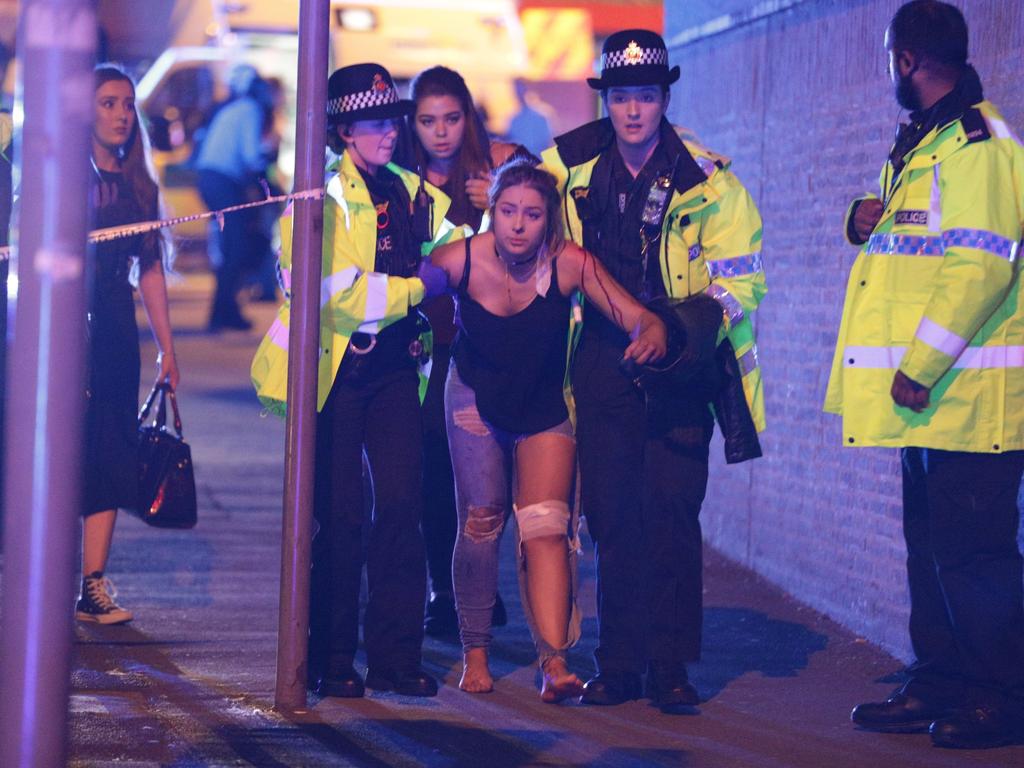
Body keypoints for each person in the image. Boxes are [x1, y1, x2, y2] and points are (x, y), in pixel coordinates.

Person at [542, 29, 767, 710]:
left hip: (681, 368)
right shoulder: (568, 165)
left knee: (671, 514)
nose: (633, 110)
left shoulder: (709, 178)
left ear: (665, 97)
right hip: (603, 363)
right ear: (605, 100)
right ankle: (619, 665)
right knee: (612, 516)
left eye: (645, 96)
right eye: (620, 97)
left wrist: (676, 327)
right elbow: (520, 218)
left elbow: (743, 284)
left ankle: (669, 668)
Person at [826, 1, 1024, 750]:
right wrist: (863, 220)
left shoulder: (978, 145)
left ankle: (1002, 698)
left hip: (968, 397)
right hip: (935, 404)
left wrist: (919, 364)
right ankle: (939, 680)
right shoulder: (927, 141)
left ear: (906, 59)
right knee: (934, 548)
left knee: (977, 557)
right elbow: (916, 246)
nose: (890, 72)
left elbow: (981, 268)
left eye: (890, 60)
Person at [251, 63, 458, 698]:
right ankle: (332, 658)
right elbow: (336, 295)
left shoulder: (414, 191)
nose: (388, 135)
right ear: (343, 130)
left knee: (401, 511)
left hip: (397, 369)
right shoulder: (318, 195)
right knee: (338, 519)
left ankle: (395, 659)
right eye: (373, 124)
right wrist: (422, 286)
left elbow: (459, 247)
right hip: (336, 372)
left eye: (390, 122)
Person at [427, 158, 668, 700]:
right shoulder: (459, 259)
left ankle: (554, 663)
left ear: (549, 221)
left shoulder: (569, 262)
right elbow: (401, 295)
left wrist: (652, 332)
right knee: (483, 518)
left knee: (546, 526)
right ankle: (477, 652)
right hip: (474, 400)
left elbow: (636, 315)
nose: (517, 225)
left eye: (531, 215)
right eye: (507, 211)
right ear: (492, 212)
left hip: (541, 407)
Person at [407, 65, 522, 637]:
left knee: (489, 474)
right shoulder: (402, 178)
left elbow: (541, 227)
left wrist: (498, 191)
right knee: (434, 468)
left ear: (468, 118)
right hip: (429, 344)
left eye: (452, 118)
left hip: (495, 340)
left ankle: (482, 586)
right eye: (428, 121)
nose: (441, 132)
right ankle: (440, 587)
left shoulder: (500, 162)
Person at [76, 64, 179, 624]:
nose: (120, 115)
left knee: (111, 450)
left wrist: (167, 346)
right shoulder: (64, 177)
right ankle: (34, 573)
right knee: (59, 448)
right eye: (108, 103)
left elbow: (152, 270)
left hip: (116, 329)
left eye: (126, 104)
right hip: (64, 326)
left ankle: (91, 584)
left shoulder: (141, 184)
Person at [195, 66, 276, 331]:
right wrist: (269, 181)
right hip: (223, 180)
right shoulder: (250, 110)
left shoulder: (233, 108)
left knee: (232, 247)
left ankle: (225, 310)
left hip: (211, 178)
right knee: (236, 247)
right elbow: (252, 155)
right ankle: (222, 312)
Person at [504, 79, 554, 159]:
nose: (519, 94)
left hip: (541, 161)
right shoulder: (514, 119)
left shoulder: (543, 114)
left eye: (521, 90)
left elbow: (549, 141)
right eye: (517, 91)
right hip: (525, 163)